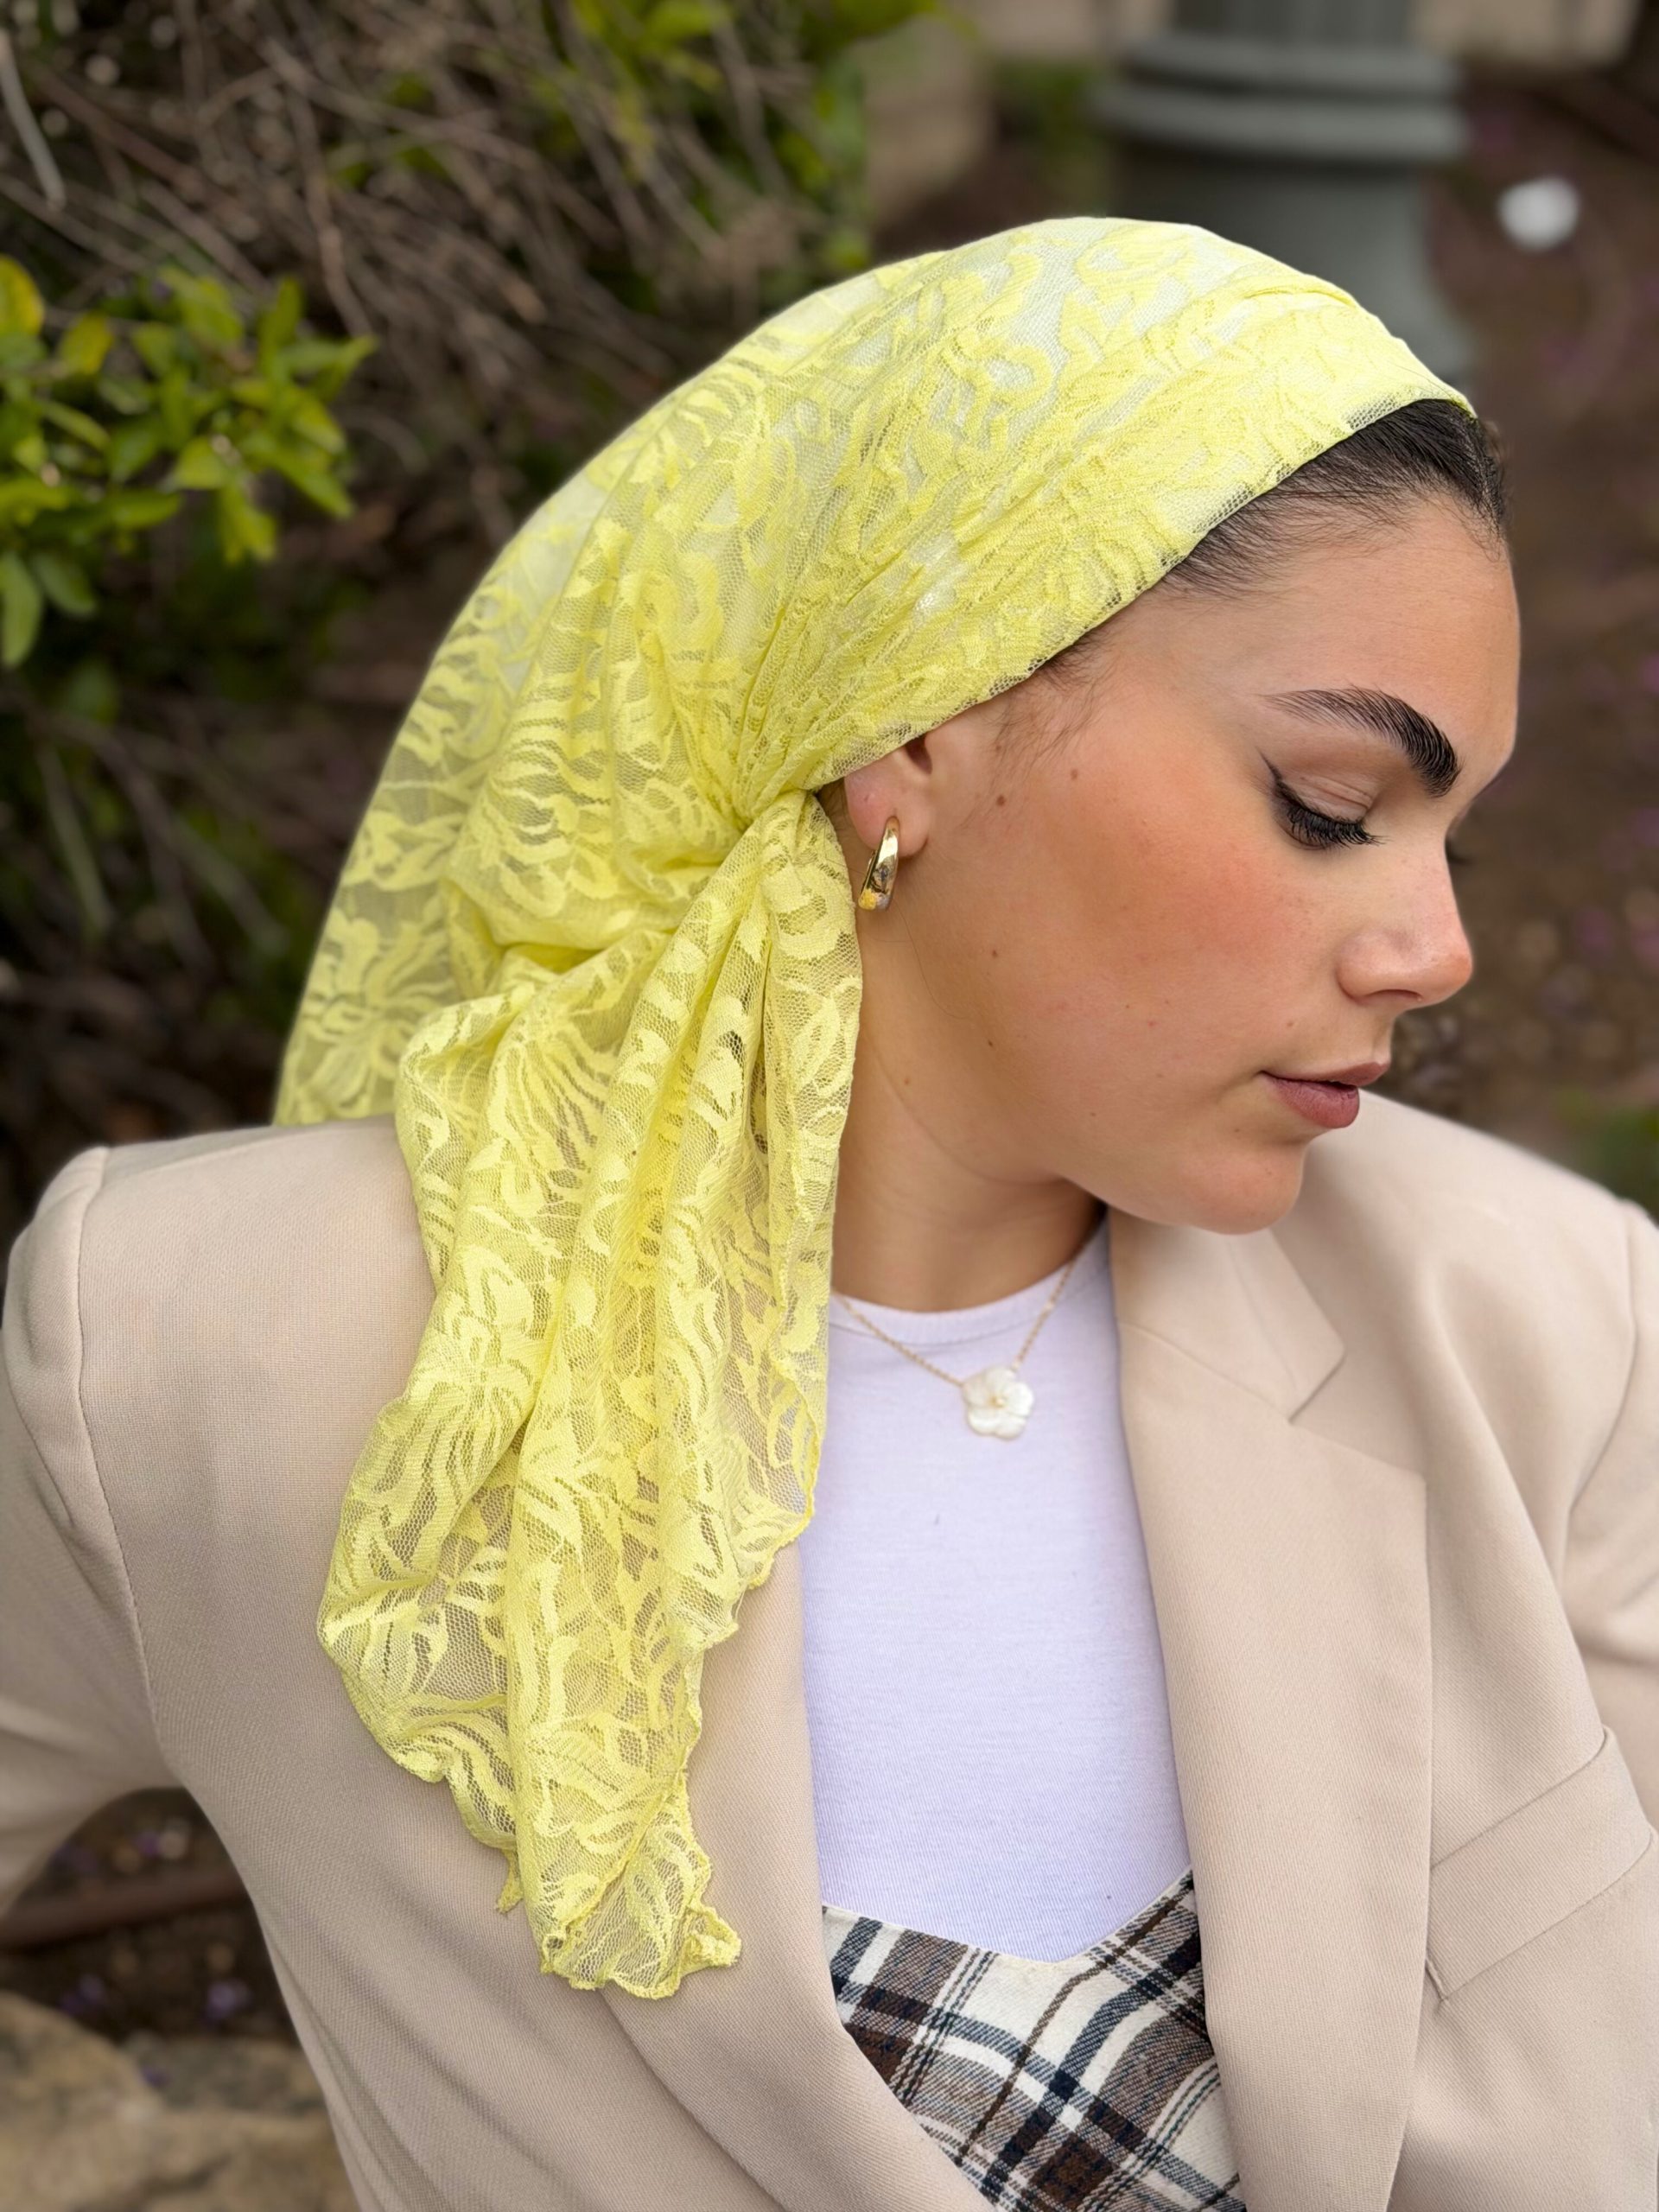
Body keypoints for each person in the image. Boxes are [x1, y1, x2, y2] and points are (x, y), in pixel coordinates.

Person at [2, 218, 1655, 2212]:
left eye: (1455, 831)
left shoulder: (1542, 1324)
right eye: (1331, 801)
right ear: (917, 731)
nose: (1436, 945)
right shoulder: (201, 1342)